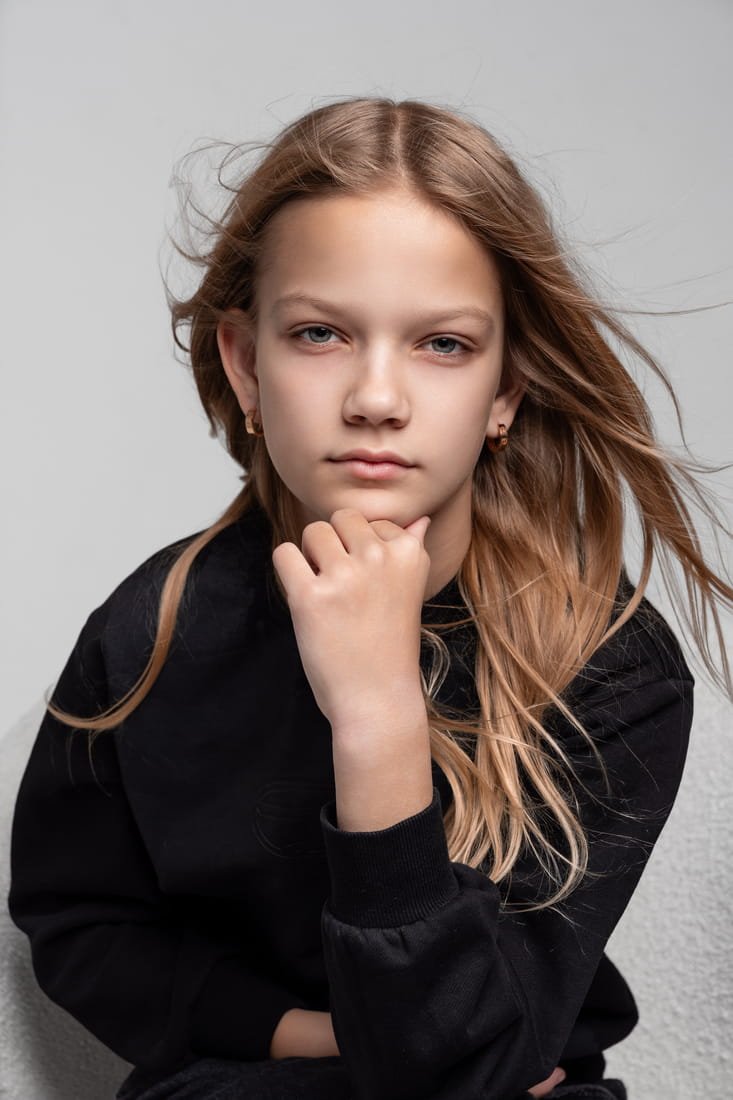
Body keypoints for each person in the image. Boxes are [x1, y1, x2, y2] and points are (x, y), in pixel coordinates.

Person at [7, 96, 731, 1100]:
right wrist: (313, 1039)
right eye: (319, 333)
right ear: (244, 364)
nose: (377, 398)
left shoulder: (605, 660)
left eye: (443, 345)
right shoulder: (153, 629)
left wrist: (378, 715)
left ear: (506, 389)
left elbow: (462, 1067)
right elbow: (83, 923)